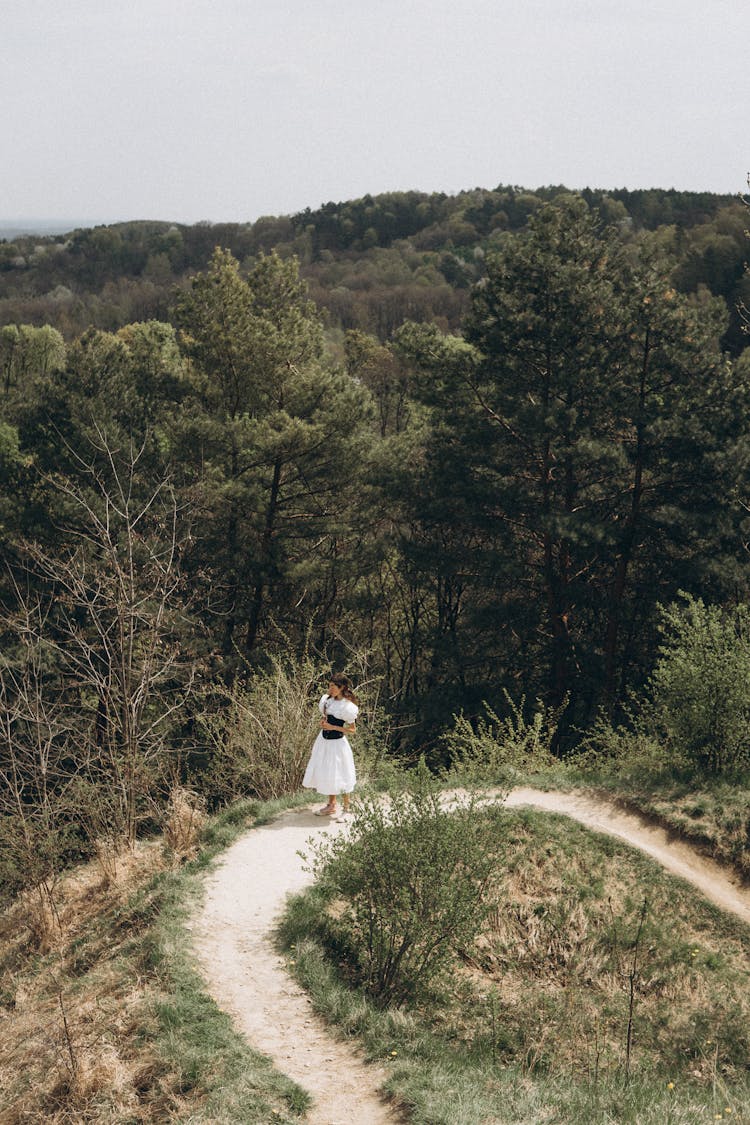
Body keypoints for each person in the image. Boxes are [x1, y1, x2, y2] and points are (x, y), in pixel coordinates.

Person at [302, 673, 359, 817]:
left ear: (342, 688)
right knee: (328, 772)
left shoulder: (347, 707)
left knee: (342, 773)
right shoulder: (326, 701)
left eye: (334, 686)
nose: (330, 689)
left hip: (338, 744)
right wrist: (323, 723)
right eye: (330, 686)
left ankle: (346, 808)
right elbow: (325, 718)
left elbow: (352, 730)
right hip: (323, 742)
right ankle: (331, 805)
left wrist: (334, 728)